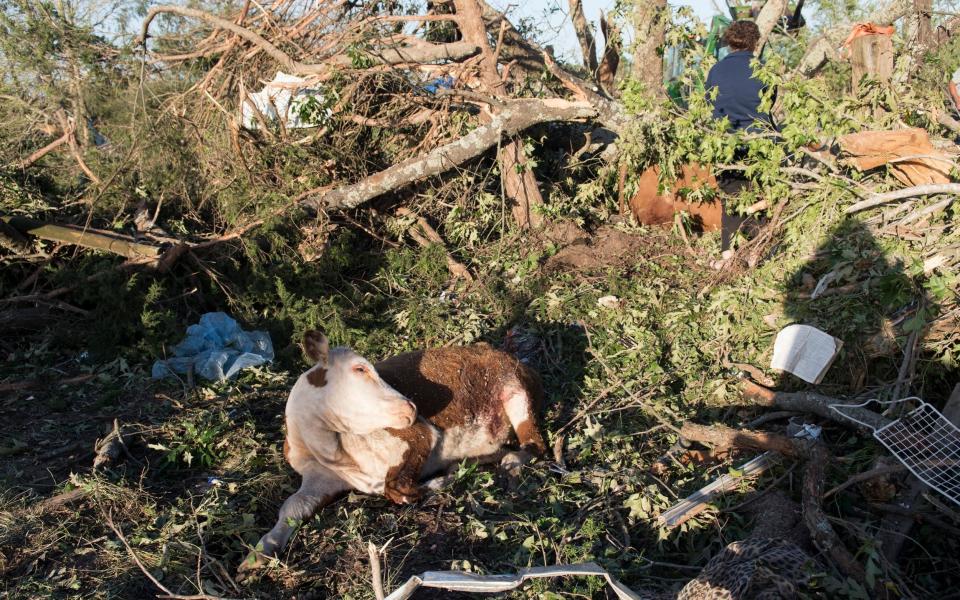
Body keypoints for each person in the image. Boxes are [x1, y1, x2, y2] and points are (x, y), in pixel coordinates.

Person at [704, 20, 772, 262]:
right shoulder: (762, 70)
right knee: (759, 197)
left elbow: (709, 103)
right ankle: (759, 252)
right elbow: (769, 103)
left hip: (724, 144)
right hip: (760, 143)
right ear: (754, 42)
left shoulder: (715, 71)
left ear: (730, 42)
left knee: (730, 198)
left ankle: (727, 254)